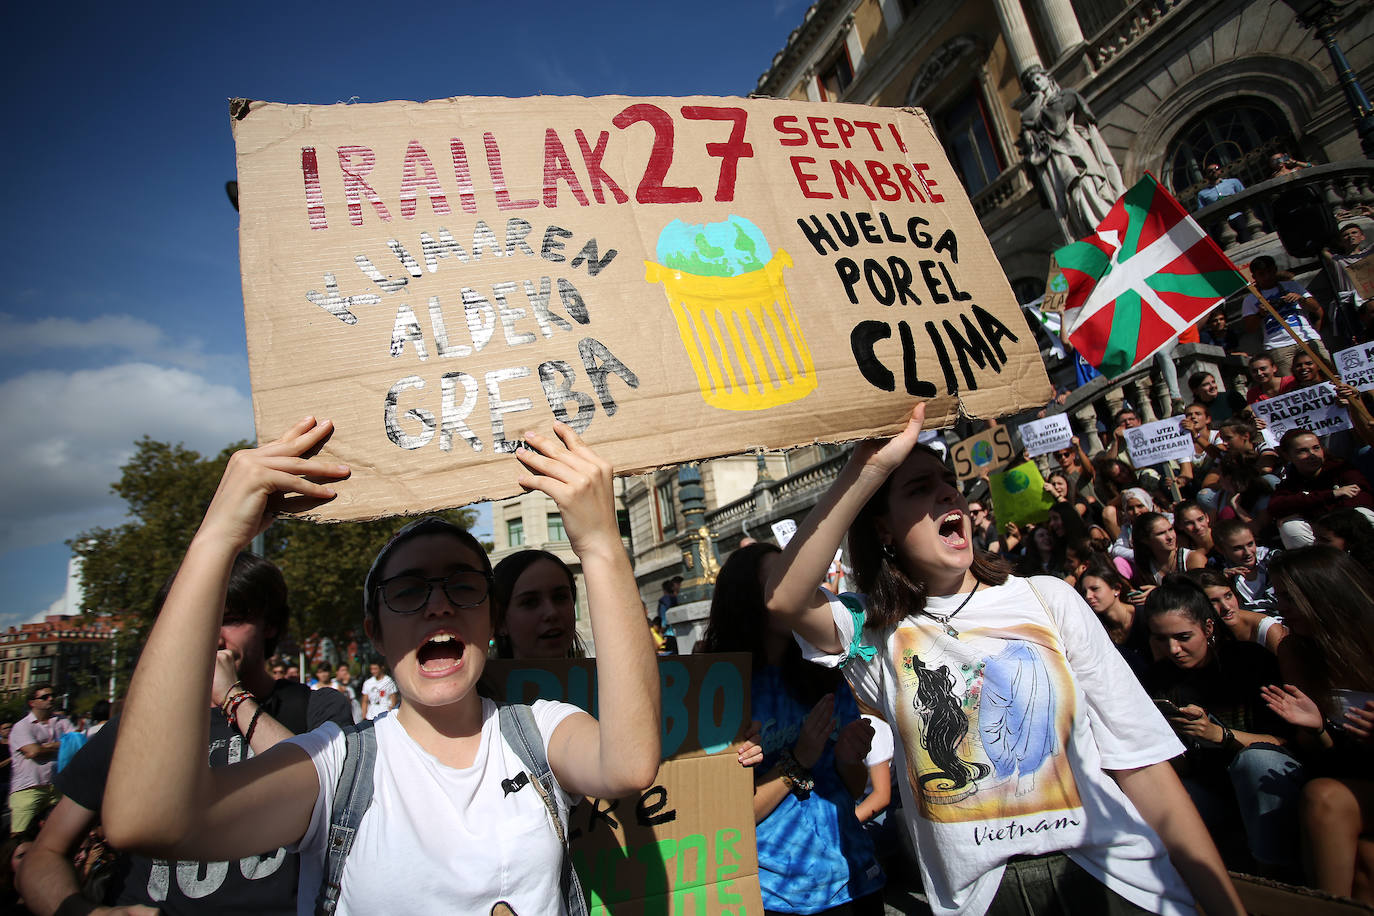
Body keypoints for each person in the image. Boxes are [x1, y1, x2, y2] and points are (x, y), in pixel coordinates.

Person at [98, 417, 660, 914]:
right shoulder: (334, 765)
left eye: (462, 586)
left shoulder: (540, 730)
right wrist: (215, 540)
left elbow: (630, 766)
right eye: (409, 591)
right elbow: (147, 819)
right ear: (375, 631)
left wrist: (601, 544)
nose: (438, 605)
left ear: (491, 620)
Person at [762, 404, 1244, 916]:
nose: (948, 493)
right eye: (919, 488)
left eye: (948, 482)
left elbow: (1141, 764)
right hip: (985, 901)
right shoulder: (873, 635)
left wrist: (1226, 908)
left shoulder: (1047, 599)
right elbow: (784, 599)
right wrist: (868, 470)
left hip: (1113, 885)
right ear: (883, 529)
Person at [17, 552, 354, 916]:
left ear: (269, 624)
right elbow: (45, 854)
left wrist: (232, 697)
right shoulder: (136, 728)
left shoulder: (316, 709)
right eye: (193, 620)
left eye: (229, 620)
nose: (209, 635)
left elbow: (331, 802)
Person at [699, 543, 885, 915]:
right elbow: (727, 817)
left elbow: (850, 787)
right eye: (778, 582)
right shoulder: (718, 691)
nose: (795, 590)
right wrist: (797, 760)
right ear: (746, 598)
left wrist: (849, 757)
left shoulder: (824, 672)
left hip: (853, 877)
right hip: (775, 893)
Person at [1141, 577, 1304, 873]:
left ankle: (1276, 875)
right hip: (1209, 790)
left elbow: (1285, 743)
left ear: (1208, 628)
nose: (1173, 649)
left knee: (1255, 761)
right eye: (1162, 639)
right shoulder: (1158, 679)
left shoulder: (1251, 663)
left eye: (1182, 637)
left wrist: (1220, 735)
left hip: (1269, 787)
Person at [1260, 547, 1374, 902]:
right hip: (1353, 779)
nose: (1281, 607)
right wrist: (1317, 730)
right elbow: (1324, 758)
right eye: (1277, 595)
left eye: (1289, 597)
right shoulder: (1296, 650)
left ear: (1323, 592)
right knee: (1325, 797)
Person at [1017, 65, 1124, 240]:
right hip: (1058, 161)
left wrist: (1039, 112)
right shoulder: (1037, 109)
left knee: (1086, 185)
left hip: (1076, 152)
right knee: (1072, 197)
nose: (1036, 85)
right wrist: (1037, 103)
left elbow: (1057, 122)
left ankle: (1104, 224)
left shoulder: (1066, 96)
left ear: (1047, 78)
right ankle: (1091, 231)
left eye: (1038, 79)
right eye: (1032, 84)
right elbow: (1027, 127)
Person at [1269, 428, 1374, 547]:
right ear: (1287, 456)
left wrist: (1306, 511)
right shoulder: (1290, 482)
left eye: (1316, 448)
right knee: (1290, 526)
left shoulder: (1342, 469)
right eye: (1303, 451)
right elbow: (1275, 507)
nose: (1312, 455)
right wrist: (1332, 495)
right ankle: (1319, 564)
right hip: (1321, 534)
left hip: (1347, 526)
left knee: (1363, 514)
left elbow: (1362, 499)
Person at [491, 549, 587, 658]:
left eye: (560, 597)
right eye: (530, 602)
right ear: (500, 622)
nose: (552, 613)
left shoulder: (603, 674)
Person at [1242, 257, 1330, 376]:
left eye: (1270, 272)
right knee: (1290, 384)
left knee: (1327, 370)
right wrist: (1260, 314)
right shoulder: (1251, 299)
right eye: (1262, 274)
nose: (1267, 277)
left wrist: (1300, 298)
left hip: (1306, 337)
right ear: (1254, 277)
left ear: (1275, 270)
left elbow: (1315, 307)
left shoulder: (1292, 286)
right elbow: (1249, 328)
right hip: (1278, 345)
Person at [8, 685, 70, 836]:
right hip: (29, 790)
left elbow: (78, 742)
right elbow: (33, 751)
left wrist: (49, 746)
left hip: (56, 787)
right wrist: (63, 745)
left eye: (52, 695)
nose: (51, 699)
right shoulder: (22, 726)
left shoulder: (61, 721)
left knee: (57, 836)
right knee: (20, 837)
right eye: (44, 697)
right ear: (32, 702)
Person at [1077, 560, 1152, 677]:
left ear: (1116, 589)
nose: (1088, 596)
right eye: (1084, 592)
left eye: (1095, 589)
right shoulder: (1096, 628)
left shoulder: (1145, 617)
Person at [1187, 568, 1287, 653]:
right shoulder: (1196, 632)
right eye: (1213, 601)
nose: (1226, 607)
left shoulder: (1268, 631)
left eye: (1228, 596)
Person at [1131, 512, 1207, 589]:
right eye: (1161, 533)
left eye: (1170, 529)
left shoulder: (1193, 559)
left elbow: (1201, 594)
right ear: (1144, 539)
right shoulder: (1146, 565)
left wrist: (1157, 594)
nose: (1170, 537)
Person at [1213, 519, 1276, 612]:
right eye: (1238, 548)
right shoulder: (1215, 567)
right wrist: (1220, 579)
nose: (1247, 552)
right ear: (1221, 550)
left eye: (1250, 544)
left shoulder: (1273, 559)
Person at [1195, 163, 1250, 242]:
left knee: (1246, 240)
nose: (1214, 171)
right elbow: (1202, 211)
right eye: (1210, 171)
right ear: (1206, 176)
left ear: (1220, 170)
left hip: (1237, 217)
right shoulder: (1202, 194)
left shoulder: (1233, 182)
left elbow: (1245, 197)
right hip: (1220, 224)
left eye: (1216, 169)